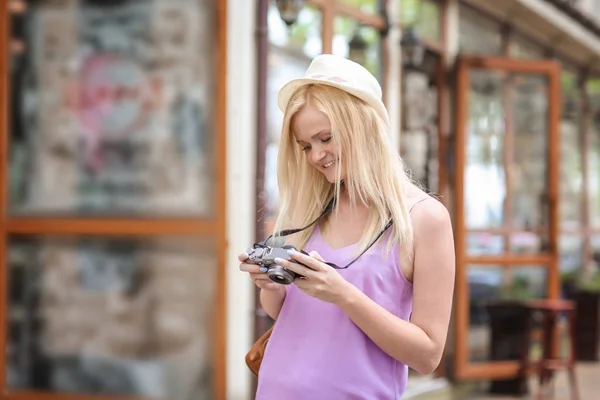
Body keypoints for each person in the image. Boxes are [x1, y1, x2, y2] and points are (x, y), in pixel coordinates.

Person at [239, 54, 455, 399]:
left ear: (361, 126)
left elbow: (428, 355)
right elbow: (288, 312)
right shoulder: (308, 211)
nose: (315, 156)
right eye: (306, 146)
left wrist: (344, 295)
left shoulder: (424, 218)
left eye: (325, 138)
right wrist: (271, 286)